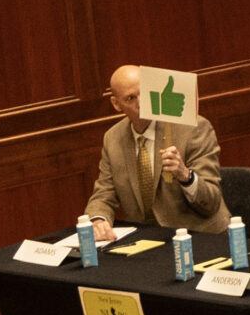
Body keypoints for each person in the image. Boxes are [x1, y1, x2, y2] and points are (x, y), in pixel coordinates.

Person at [83, 63, 230, 242]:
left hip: (200, 237)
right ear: (116, 104)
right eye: (130, 98)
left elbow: (211, 201)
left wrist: (186, 176)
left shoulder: (193, 128)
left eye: (144, 93)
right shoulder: (113, 138)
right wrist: (98, 220)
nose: (141, 103)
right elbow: (104, 193)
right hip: (147, 241)